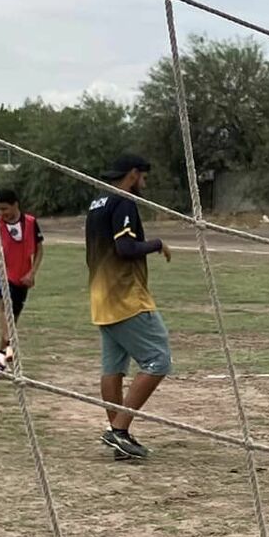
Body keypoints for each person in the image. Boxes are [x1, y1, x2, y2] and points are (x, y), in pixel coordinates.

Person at [87, 154, 171, 462]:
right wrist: (157, 244)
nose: (144, 183)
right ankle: (119, 431)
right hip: (126, 299)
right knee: (158, 360)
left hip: (101, 297)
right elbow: (125, 248)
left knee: (113, 368)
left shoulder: (97, 202)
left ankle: (118, 437)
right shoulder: (123, 201)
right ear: (133, 174)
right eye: (143, 177)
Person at [0, 186, 44, 358]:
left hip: (22, 277)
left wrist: (32, 273)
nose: (2, 213)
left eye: (5, 209)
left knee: (13, 319)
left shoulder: (31, 223)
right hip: (2, 274)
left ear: (15, 205)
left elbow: (40, 249)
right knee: (5, 305)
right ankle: (8, 340)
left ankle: (3, 355)